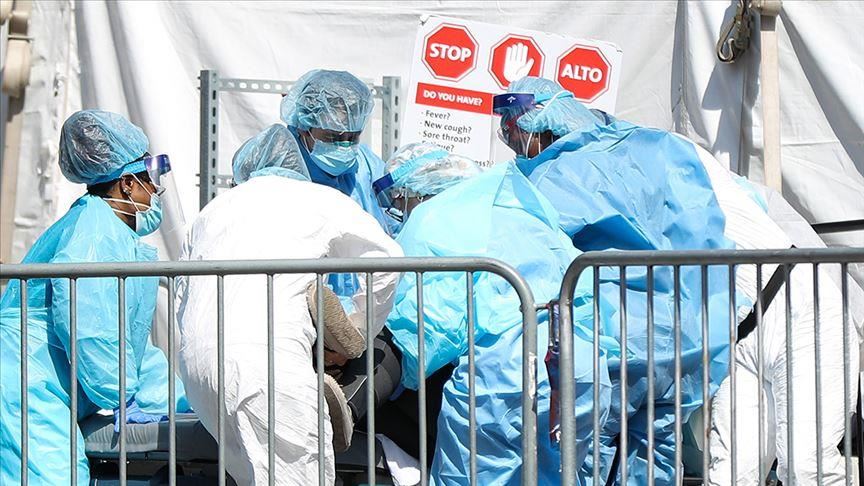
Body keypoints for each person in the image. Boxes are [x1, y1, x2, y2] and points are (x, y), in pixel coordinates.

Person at [493, 77, 737, 484]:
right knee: (657, 454)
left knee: (590, 455)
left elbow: (529, 251)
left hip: (614, 341)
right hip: (686, 339)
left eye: (514, 131)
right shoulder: (659, 147)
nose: (514, 145)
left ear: (539, 123)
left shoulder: (550, 176)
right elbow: (705, 232)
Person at [177, 124, 402, 485]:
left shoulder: (208, 214)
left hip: (200, 371)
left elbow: (182, 297)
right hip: (268, 364)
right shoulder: (316, 198)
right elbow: (388, 260)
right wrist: (356, 335)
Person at [374, 142, 612, 485]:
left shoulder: (436, 219)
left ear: (417, 192)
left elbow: (425, 327)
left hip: (503, 381)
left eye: (398, 200)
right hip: (581, 371)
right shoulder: (525, 211)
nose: (397, 211)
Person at [0, 110, 188, 485]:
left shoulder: (110, 232)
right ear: (128, 184)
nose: (155, 191)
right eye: (150, 178)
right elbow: (90, 328)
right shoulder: (95, 232)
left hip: (46, 380)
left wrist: (178, 401)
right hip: (27, 381)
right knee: (53, 478)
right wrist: (120, 394)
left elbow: (129, 345)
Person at [695, 147, 862, 485]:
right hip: (738, 339)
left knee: (807, 467)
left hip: (802, 315)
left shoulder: (676, 159)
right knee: (730, 475)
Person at [279, 69, 392, 317]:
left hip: (363, 305)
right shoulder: (283, 163)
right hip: (302, 306)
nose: (344, 145)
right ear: (304, 127)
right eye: (332, 136)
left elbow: (391, 217)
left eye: (353, 137)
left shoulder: (365, 163)